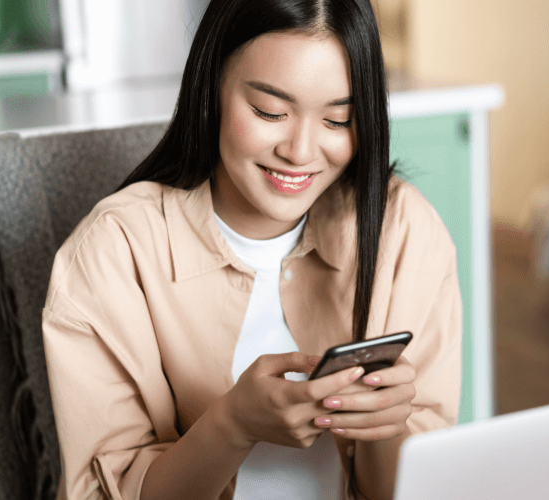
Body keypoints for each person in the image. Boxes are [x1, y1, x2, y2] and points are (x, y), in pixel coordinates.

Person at [41, 0, 462, 498]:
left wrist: (385, 428)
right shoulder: (113, 253)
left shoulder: (404, 228)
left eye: (337, 120)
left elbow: (419, 487)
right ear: (211, 85)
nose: (301, 153)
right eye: (270, 111)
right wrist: (233, 424)